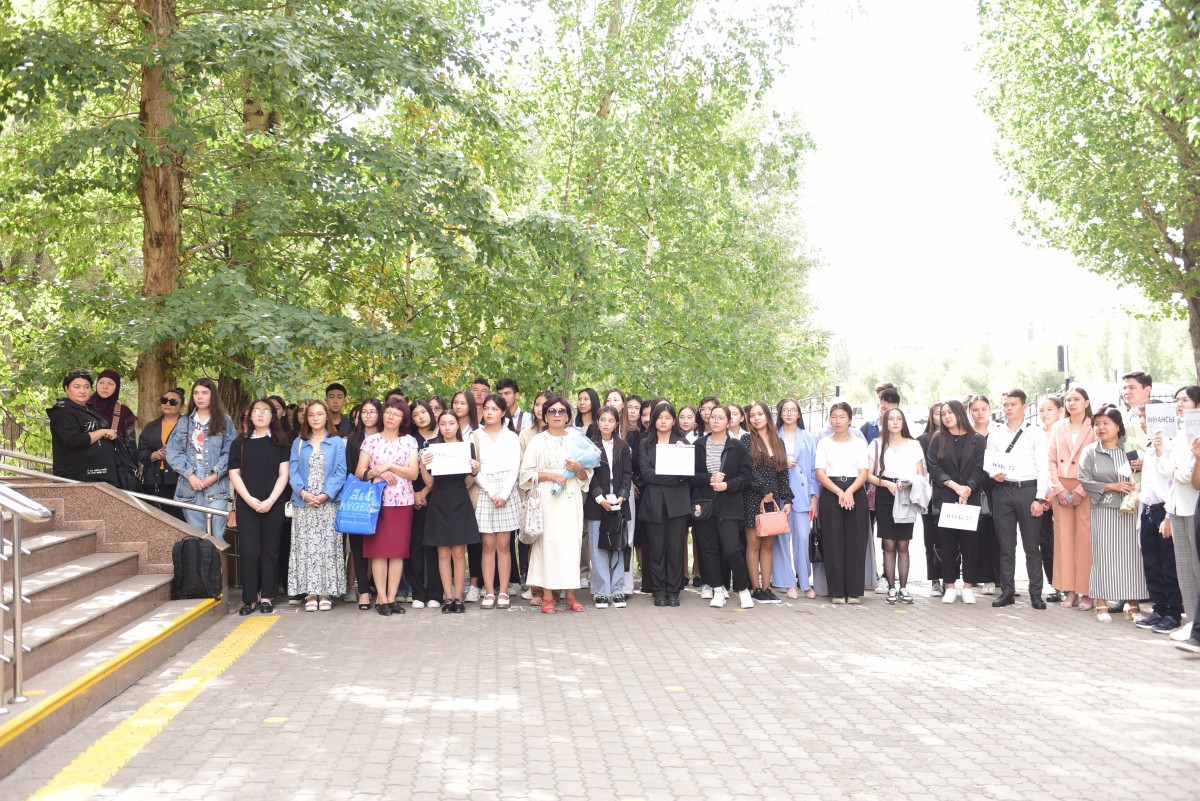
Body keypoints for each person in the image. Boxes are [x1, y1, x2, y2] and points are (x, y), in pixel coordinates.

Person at [521, 397, 593, 613]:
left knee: (571, 544)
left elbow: (586, 476)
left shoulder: (577, 440)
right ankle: (547, 596)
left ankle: (570, 595)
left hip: (570, 498)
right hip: (547, 498)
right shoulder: (537, 441)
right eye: (551, 411)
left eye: (561, 411)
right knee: (548, 544)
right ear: (545, 415)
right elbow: (525, 474)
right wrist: (551, 476)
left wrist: (579, 468)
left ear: (568, 416)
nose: (557, 415)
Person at [1078, 406, 1148, 623]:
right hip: (1104, 509)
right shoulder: (1090, 451)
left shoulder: (1131, 448)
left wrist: (1143, 468)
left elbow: (1144, 474)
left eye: (1106, 423)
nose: (1101, 428)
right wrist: (1111, 486)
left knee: (1131, 557)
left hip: (1130, 509)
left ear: (1118, 426)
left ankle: (1132, 602)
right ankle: (1101, 602)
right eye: (1097, 424)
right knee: (1104, 556)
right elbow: (1085, 480)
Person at [985, 389, 1049, 609]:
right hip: (1003, 491)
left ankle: (1036, 594)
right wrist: (994, 474)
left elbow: (1043, 467)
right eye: (1005, 404)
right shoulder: (995, 433)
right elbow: (990, 463)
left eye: (1013, 404)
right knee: (1006, 547)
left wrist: (1040, 498)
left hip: (1028, 491)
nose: (1008, 408)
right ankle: (1007, 591)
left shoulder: (1035, 432)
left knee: (1032, 547)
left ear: (1024, 407)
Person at [356, 399, 419, 617]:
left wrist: (390, 466)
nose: (391, 417)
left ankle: (392, 598)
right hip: (377, 503)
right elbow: (360, 471)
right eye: (388, 412)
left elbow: (413, 473)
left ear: (403, 419)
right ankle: (381, 598)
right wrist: (378, 472)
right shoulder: (370, 441)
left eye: (396, 414)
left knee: (397, 552)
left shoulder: (409, 441)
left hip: (403, 502)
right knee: (379, 552)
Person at [228, 399, 290, 615]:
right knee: (248, 550)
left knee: (270, 550)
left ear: (273, 416)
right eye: (256, 411)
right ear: (250, 416)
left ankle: (267, 597)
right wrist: (248, 499)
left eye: (265, 411)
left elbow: (284, 474)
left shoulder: (281, 442)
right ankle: (249, 598)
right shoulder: (240, 442)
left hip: (273, 503)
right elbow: (234, 473)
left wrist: (271, 500)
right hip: (247, 504)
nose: (260, 414)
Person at [691, 404, 754, 609]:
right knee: (708, 550)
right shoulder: (699, 445)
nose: (716, 420)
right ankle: (718, 589)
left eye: (721, 418)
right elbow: (691, 475)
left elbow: (746, 477)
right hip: (704, 504)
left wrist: (727, 485)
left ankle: (743, 589)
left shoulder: (737, 446)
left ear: (728, 422)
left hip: (729, 505)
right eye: (713, 417)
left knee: (731, 549)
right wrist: (709, 478)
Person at [287, 400, 347, 611]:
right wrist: (303, 493)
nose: (315, 418)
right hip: (303, 503)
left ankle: (325, 592)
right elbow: (293, 471)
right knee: (306, 548)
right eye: (311, 414)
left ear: (326, 416)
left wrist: (324, 495)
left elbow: (341, 472)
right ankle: (310, 593)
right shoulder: (299, 442)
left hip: (328, 503)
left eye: (320, 414)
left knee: (327, 548)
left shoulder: (337, 442)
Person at [419, 410, 481, 614]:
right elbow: (430, 483)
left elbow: (468, 483)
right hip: (439, 501)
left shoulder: (466, 448)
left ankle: (458, 597)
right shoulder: (431, 448)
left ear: (458, 426)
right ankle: (448, 597)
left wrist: (474, 471)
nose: (447, 427)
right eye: (443, 423)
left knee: (459, 552)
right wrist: (422, 465)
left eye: (451, 423)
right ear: (439, 426)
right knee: (443, 552)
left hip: (460, 500)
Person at [926, 400, 987, 604]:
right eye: (943, 414)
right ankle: (950, 586)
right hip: (946, 497)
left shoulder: (977, 439)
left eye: (950, 413)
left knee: (970, 544)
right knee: (947, 544)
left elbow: (979, 468)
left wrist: (967, 488)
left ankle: (968, 587)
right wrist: (956, 487)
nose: (946, 417)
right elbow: (934, 468)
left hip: (970, 498)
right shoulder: (938, 439)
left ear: (960, 413)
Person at [866, 407, 926, 604]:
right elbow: (867, 475)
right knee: (888, 544)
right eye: (891, 418)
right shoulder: (876, 444)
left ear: (903, 422)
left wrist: (908, 482)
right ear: (885, 422)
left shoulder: (914, 444)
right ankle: (891, 587)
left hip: (906, 492)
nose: (894, 422)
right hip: (884, 492)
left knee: (903, 543)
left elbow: (921, 474)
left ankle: (904, 588)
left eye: (898, 418)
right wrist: (886, 483)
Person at [635, 401, 693, 607]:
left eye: (667, 418)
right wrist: (672, 476)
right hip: (653, 502)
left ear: (673, 421)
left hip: (677, 503)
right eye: (659, 417)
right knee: (656, 548)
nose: (663, 421)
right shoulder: (645, 443)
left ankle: (673, 591)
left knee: (675, 548)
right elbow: (646, 474)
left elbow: (685, 474)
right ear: (653, 420)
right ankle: (659, 591)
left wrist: (669, 475)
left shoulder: (682, 443)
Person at [167, 378, 237, 543]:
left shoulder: (224, 421)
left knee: (216, 535)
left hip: (216, 485)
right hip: (189, 485)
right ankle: (199, 562)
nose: (200, 397)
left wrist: (215, 475)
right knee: (196, 536)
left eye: (205, 393)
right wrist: (190, 475)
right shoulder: (184, 421)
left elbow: (231, 452)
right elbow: (173, 452)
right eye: (196, 393)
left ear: (213, 395)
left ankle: (217, 562)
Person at [1154, 386, 1200, 636]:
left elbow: (1187, 475)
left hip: (1194, 506)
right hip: (1176, 506)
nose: (1179, 404)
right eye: (1177, 400)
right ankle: (1192, 621)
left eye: (1185, 400)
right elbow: (1168, 472)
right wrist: (1160, 452)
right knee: (1183, 567)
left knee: (1196, 565)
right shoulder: (1180, 432)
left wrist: (1177, 472)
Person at [470, 394, 523, 609]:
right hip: (485, 491)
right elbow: (474, 469)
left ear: (502, 412)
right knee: (488, 545)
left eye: (494, 409)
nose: (489, 412)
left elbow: (515, 468)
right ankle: (489, 591)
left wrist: (504, 493)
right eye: (486, 408)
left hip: (507, 491)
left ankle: (503, 591)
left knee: (504, 545)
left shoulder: (511, 437)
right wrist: (492, 492)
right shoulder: (475, 435)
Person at [815, 402, 870, 603]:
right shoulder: (824, 443)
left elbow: (864, 472)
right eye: (834, 417)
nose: (837, 421)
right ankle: (837, 591)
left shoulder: (859, 443)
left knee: (856, 541)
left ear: (850, 420)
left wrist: (849, 492)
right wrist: (840, 492)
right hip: (831, 492)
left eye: (842, 417)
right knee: (833, 541)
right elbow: (820, 473)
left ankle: (854, 591)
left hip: (855, 491)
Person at [1048, 388, 1096, 609]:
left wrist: (1081, 490)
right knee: (1064, 539)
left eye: (1076, 399)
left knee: (1085, 540)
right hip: (1061, 486)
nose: (1072, 403)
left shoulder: (1094, 426)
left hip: (1085, 486)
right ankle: (1069, 590)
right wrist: (1057, 488)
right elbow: (1050, 459)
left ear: (1086, 402)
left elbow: (1098, 460)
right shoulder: (1059, 426)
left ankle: (1087, 591)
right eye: (1068, 400)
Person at [1137, 400, 1182, 632]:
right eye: (1141, 418)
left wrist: (1168, 517)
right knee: (1152, 564)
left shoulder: (1173, 445)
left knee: (1168, 565)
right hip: (1148, 509)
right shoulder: (1147, 446)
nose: (1142, 422)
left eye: (1146, 417)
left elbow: (1173, 482)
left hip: (1165, 509)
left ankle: (1173, 613)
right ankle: (1159, 609)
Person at [740, 400, 792, 604]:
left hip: (773, 500)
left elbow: (783, 472)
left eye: (760, 414)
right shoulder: (746, 440)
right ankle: (755, 589)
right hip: (753, 497)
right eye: (752, 415)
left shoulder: (778, 441)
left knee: (768, 545)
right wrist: (764, 492)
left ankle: (766, 588)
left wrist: (787, 498)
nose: (756, 418)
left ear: (768, 416)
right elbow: (748, 471)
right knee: (754, 544)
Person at [584, 406, 632, 608]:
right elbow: (589, 474)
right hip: (597, 501)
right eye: (603, 420)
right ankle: (602, 592)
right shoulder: (590, 445)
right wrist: (599, 498)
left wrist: (622, 496)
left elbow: (628, 474)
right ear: (597, 422)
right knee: (598, 548)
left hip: (619, 500)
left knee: (619, 546)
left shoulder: (623, 446)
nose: (606, 424)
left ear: (616, 423)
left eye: (610, 420)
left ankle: (618, 590)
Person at [773, 398, 818, 599]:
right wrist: (782, 462)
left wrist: (814, 495)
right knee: (782, 539)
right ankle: (787, 582)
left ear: (799, 414)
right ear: (780, 414)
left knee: (802, 538)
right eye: (785, 410)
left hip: (802, 494)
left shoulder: (808, 437)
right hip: (780, 493)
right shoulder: (774, 436)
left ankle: (805, 582)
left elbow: (814, 470)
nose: (789, 413)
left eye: (793, 410)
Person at [344, 398, 383, 610]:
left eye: (372, 411)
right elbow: (350, 469)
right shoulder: (352, 440)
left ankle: (381, 589)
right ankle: (363, 591)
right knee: (358, 546)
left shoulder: (387, 438)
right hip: (359, 497)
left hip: (384, 496)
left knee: (379, 545)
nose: (368, 415)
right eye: (364, 412)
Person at [48, 370, 119, 484]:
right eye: (77, 387)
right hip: (78, 479)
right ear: (67, 389)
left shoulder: (90, 409)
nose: (82, 391)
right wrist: (101, 432)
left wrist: (109, 434)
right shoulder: (62, 412)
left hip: (102, 476)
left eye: (86, 387)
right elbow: (74, 440)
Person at [407, 400, 443, 609]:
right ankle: (418, 593)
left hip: (436, 497)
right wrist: (414, 494)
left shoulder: (441, 438)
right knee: (415, 547)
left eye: (423, 412)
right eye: (415, 414)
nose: (420, 417)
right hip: (411, 499)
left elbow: (445, 471)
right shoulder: (408, 440)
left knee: (435, 547)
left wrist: (425, 492)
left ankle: (435, 594)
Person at [137, 387, 187, 519]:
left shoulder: (188, 426)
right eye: (164, 400)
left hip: (180, 479)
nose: (167, 404)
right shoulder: (151, 426)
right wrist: (155, 455)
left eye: (173, 402)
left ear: (181, 406)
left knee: (180, 519)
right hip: (155, 479)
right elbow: (140, 452)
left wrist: (172, 455)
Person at [968, 394, 1001, 594]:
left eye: (983, 409)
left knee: (1000, 534)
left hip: (998, 486)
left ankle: (1002, 578)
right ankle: (984, 577)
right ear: (969, 412)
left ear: (990, 409)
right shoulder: (967, 433)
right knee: (978, 533)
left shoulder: (999, 431)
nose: (980, 413)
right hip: (975, 487)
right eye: (975, 410)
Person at [1036, 395, 1064, 600]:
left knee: (1066, 541)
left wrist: (1055, 491)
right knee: (1046, 542)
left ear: (1060, 411)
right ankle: (1054, 584)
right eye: (1041, 411)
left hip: (1063, 493)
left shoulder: (1064, 433)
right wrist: (1042, 495)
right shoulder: (1036, 434)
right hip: (1041, 496)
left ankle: (1071, 584)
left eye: (1049, 410)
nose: (1045, 414)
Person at [917, 401, 946, 596]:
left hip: (950, 493)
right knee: (930, 537)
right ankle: (935, 580)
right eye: (937, 414)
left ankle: (949, 579)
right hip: (928, 494)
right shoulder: (922, 439)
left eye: (945, 413)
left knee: (950, 537)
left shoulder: (956, 436)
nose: (942, 417)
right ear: (931, 416)